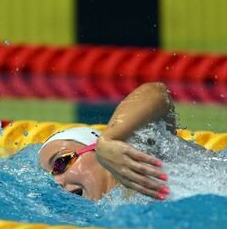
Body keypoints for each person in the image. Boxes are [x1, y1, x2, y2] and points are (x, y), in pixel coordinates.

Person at [38, 82, 176, 200]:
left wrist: (109, 139)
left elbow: (156, 92)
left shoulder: (147, 163)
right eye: (50, 177)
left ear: (97, 149)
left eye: (60, 163)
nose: (57, 182)